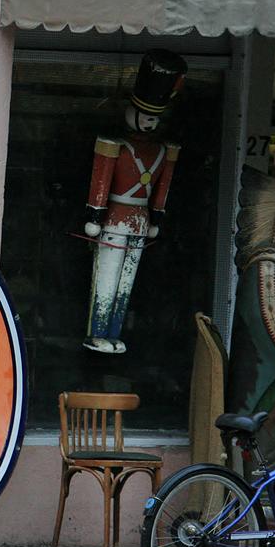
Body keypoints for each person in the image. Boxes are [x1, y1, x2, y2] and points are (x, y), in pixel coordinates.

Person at [82, 49, 187, 354]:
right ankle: (97, 332)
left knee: (125, 285)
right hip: (114, 219)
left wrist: (157, 218)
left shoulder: (163, 151)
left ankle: (113, 333)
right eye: (146, 116)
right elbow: (100, 182)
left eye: (155, 118)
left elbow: (162, 189)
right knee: (106, 280)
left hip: (139, 223)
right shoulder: (115, 145)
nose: (150, 123)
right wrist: (95, 215)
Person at [228, 168, 275, 473]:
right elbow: (268, 320)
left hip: (272, 373)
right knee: (264, 434)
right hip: (267, 376)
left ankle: (262, 498)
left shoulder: (271, 261)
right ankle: (257, 499)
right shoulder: (267, 265)